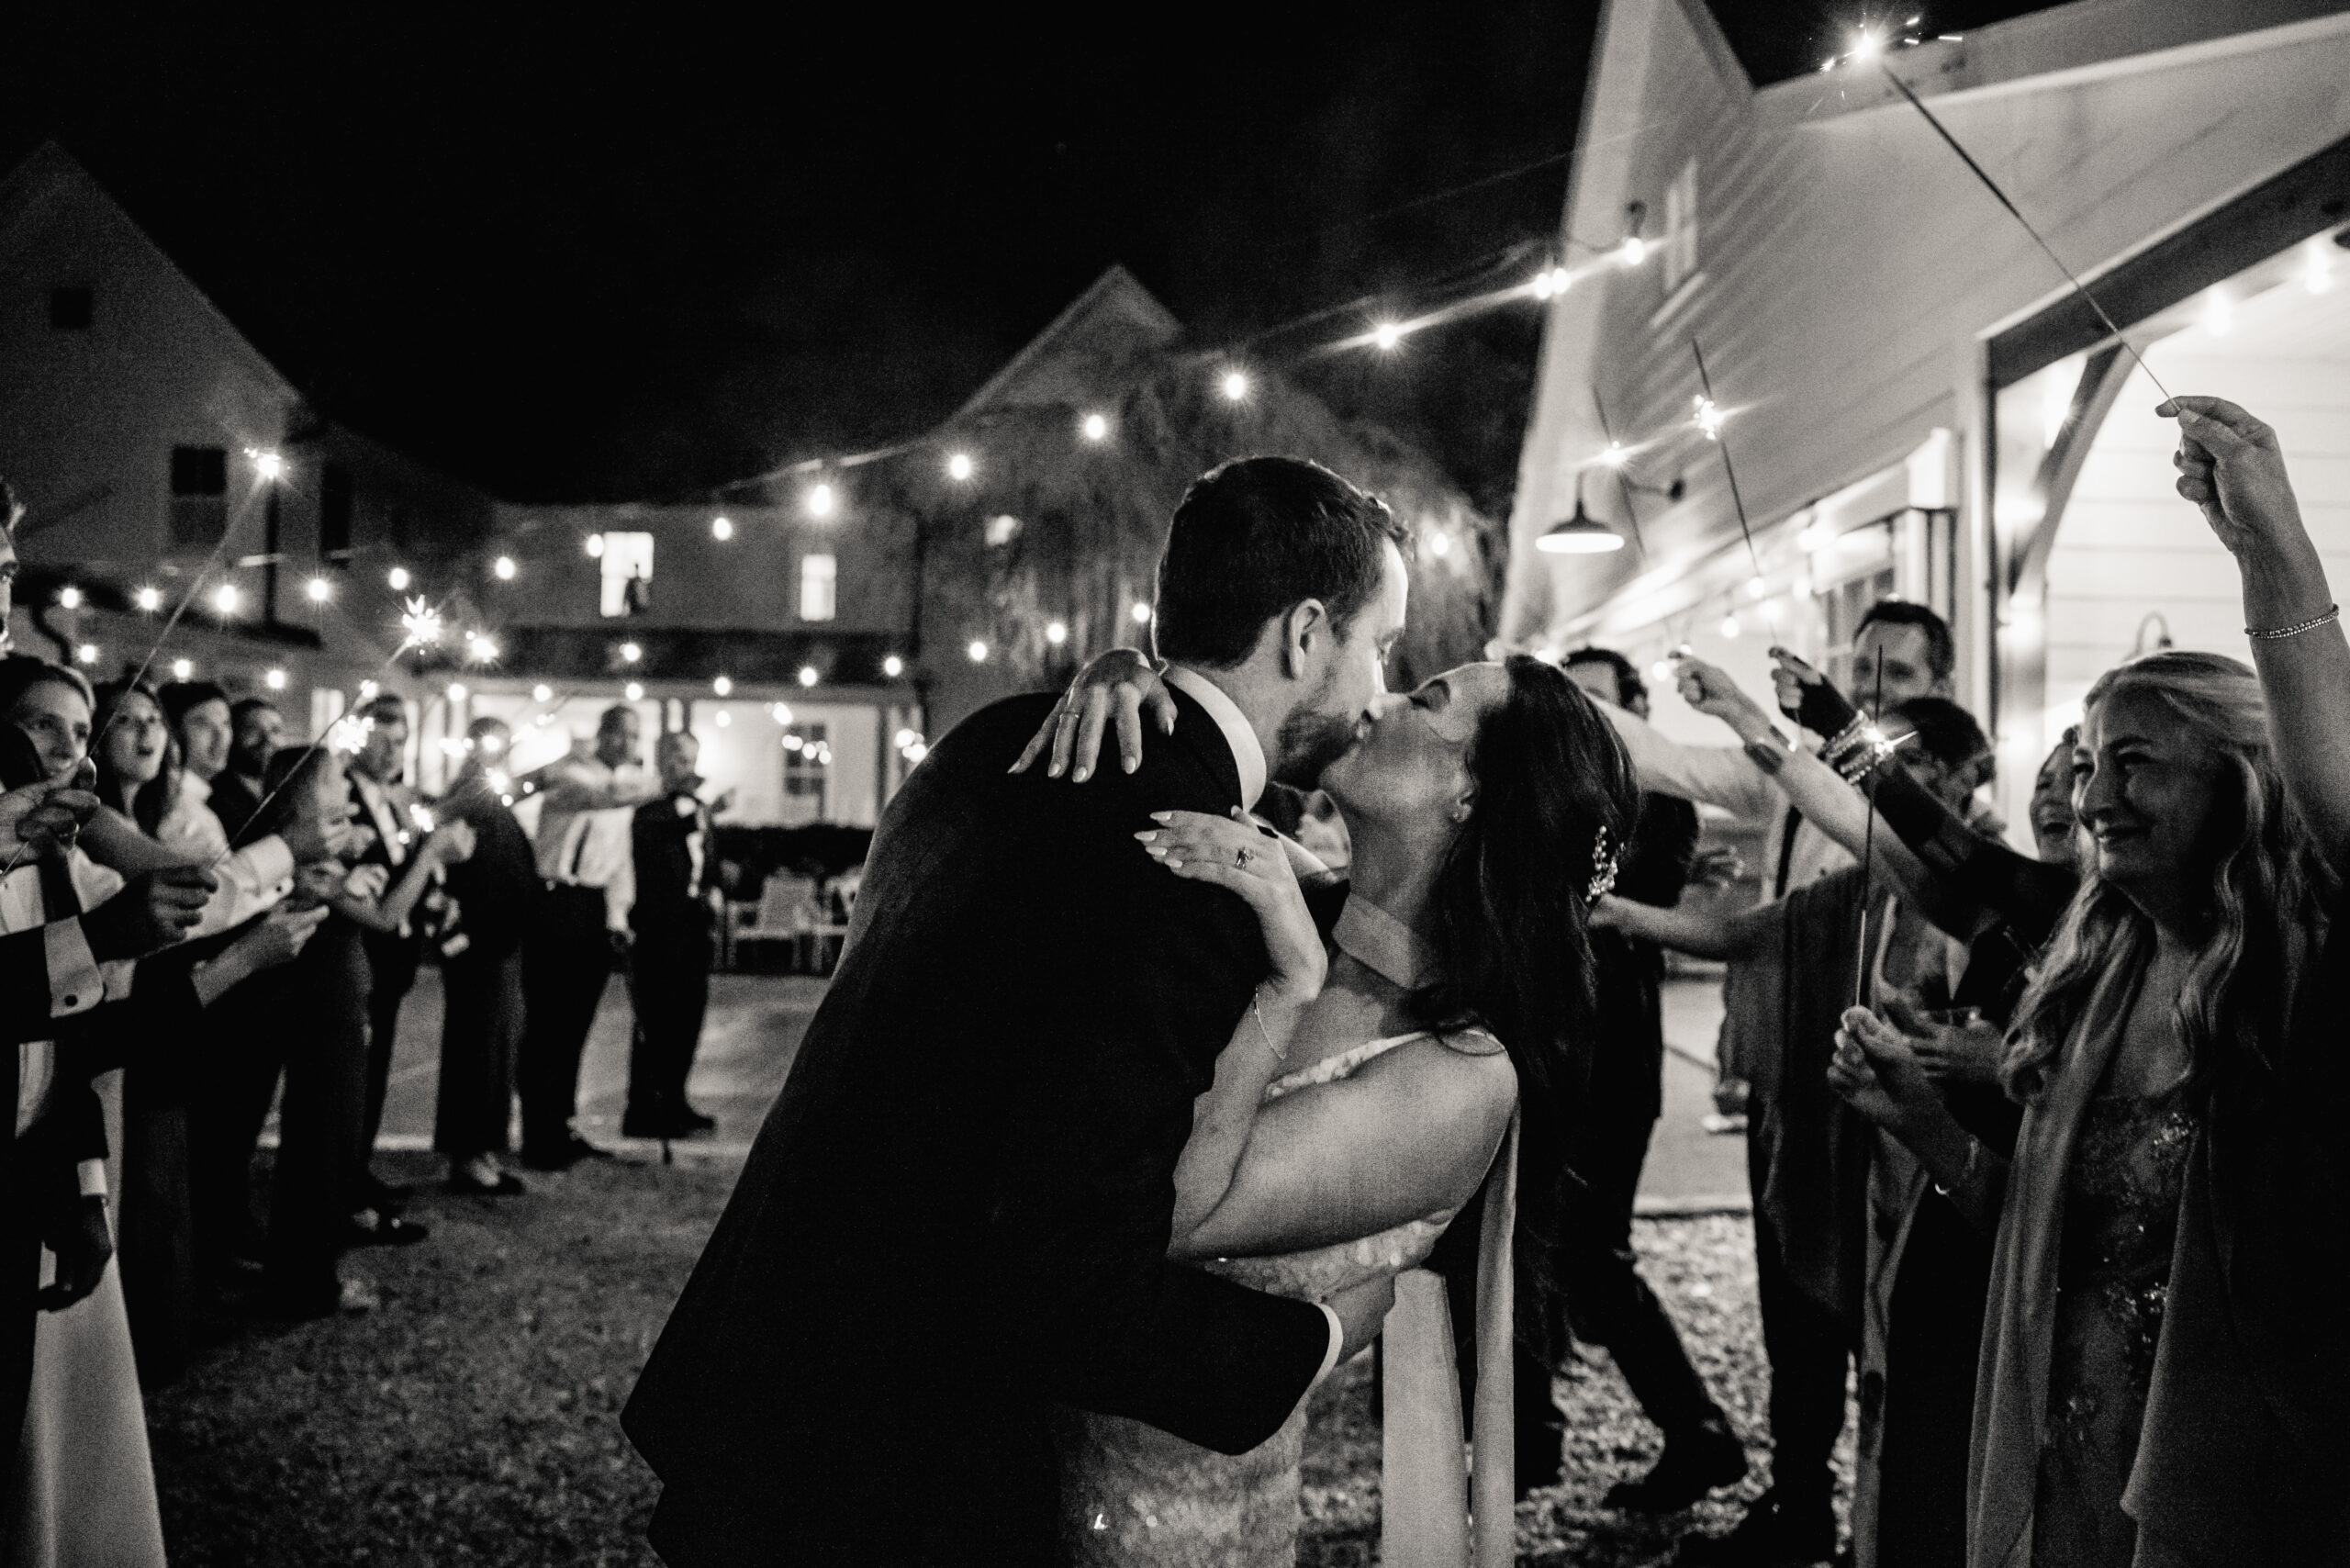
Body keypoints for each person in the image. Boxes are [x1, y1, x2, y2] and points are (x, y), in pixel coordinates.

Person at [624, 456, 1430, 1563]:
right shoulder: (1188, 868)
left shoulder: (981, 744)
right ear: (1303, 635)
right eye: (1378, 646)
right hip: (900, 1459)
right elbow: (1066, 1282)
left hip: (758, 1367)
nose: (1380, 691)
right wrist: (1320, 1333)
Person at [1830, 398, 2349, 1566]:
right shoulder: (2094, 966)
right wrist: (1916, 1117)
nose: (2093, 794)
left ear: (2240, 785)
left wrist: (2276, 550)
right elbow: (2035, 1218)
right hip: (2065, 1447)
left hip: (2242, 1481)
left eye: (2134, 763)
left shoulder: (2295, 982)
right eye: (2084, 759)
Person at [1528, 646, 1748, 1508]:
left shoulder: (1659, 801)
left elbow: (1605, 902)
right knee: (1530, 1245)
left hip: (1613, 1055)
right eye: (1570, 699)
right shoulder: (1536, 790)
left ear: (1632, 707)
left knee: (1594, 1255)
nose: (1585, 716)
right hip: (1533, 1048)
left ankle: (1699, 1433)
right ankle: (1532, 1438)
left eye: (1599, 701)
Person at [244, 744, 471, 1317]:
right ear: (302, 797)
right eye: (336, 781)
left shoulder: (321, 859)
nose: (347, 790)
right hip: (323, 1016)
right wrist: (430, 855)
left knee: (331, 1140)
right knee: (321, 1145)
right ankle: (304, 1284)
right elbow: (386, 916)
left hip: (339, 1009)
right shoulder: (305, 863)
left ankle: (307, 1275)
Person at [515, 704, 659, 1169]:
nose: (626, 744)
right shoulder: (573, 774)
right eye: (619, 734)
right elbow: (602, 796)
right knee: (548, 1023)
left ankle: (563, 1122)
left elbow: (620, 858)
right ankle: (539, 1133)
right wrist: (662, 785)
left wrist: (618, 918)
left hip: (594, 907)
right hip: (557, 901)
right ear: (601, 734)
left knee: (577, 1022)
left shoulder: (627, 787)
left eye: (634, 737)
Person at [434, 717, 537, 1196]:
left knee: (497, 1051)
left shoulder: (496, 799)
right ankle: (468, 1154)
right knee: (476, 1051)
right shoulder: (468, 800)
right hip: (478, 945)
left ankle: (482, 1149)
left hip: (503, 942)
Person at [343, 692, 424, 1217]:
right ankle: (343, 1182)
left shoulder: (395, 798)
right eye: (384, 740)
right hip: (360, 951)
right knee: (353, 1076)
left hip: (394, 960)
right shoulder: (345, 795)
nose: (394, 752)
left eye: (402, 741)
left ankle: (359, 1167)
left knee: (374, 1075)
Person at [622, 729, 723, 1140]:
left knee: (688, 1016)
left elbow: (705, 858)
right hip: (659, 926)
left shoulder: (697, 807)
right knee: (657, 1017)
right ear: (662, 759)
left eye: (693, 758)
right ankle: (645, 1109)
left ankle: (676, 1099)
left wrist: (716, 886)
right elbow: (649, 840)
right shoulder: (649, 806)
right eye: (680, 759)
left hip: (693, 924)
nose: (689, 767)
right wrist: (692, 816)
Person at [207, 697, 281, 844]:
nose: (267, 739)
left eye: (275, 730)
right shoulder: (216, 796)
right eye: (253, 730)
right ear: (232, 735)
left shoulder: (282, 790)